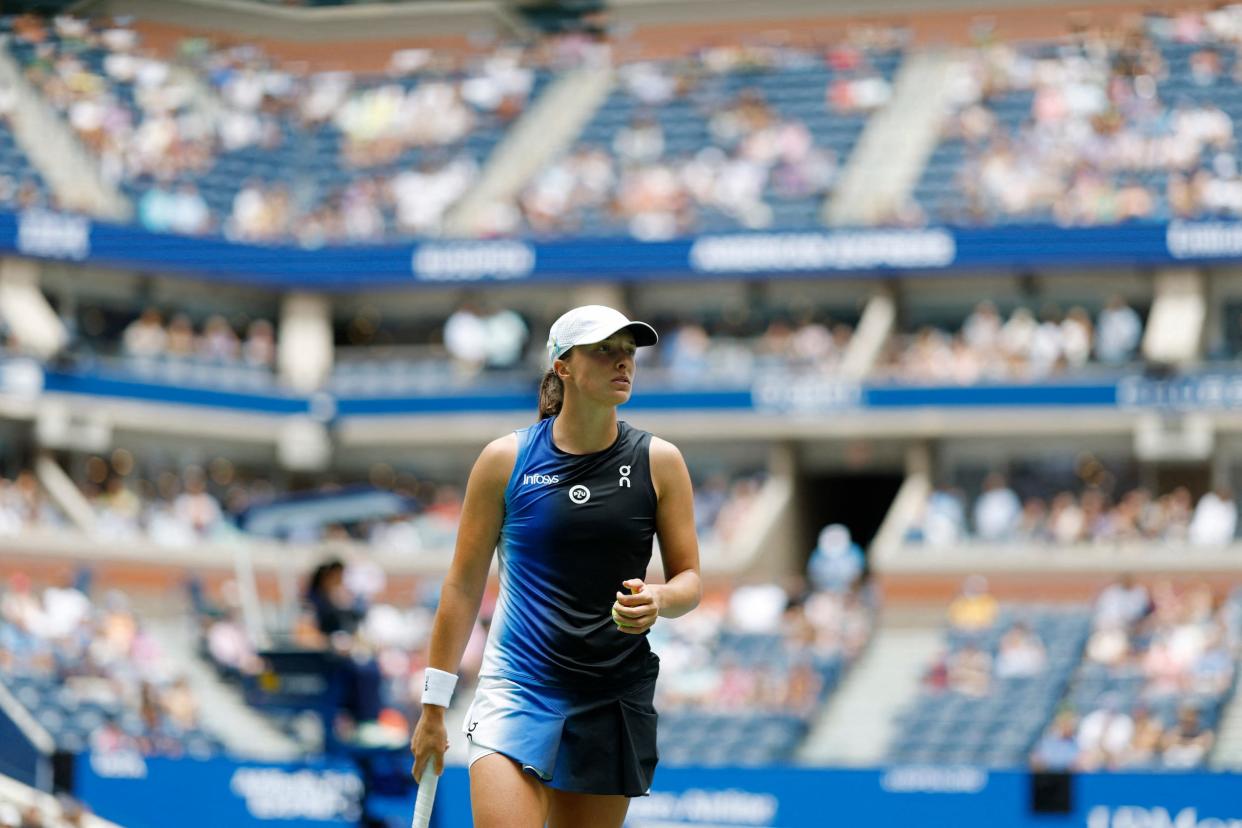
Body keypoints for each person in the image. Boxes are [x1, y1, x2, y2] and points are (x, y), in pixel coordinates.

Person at [410, 305, 702, 828]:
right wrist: (433, 708)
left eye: (628, 352)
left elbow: (690, 582)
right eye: (604, 351)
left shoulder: (661, 461)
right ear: (562, 367)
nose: (623, 363)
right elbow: (461, 587)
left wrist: (659, 600)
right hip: (517, 689)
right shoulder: (506, 460)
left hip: (612, 694)